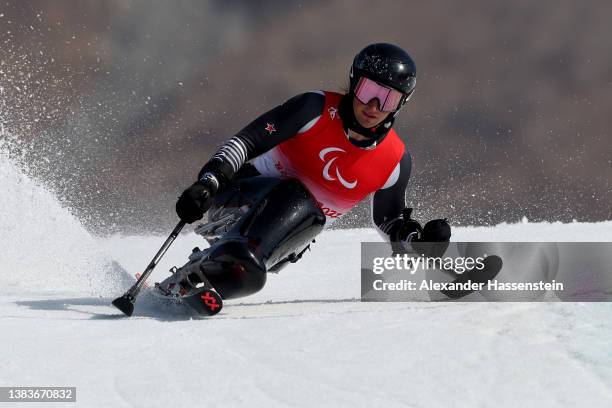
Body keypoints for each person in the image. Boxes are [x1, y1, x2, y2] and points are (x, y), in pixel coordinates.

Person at [174, 43, 451, 300]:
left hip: (282, 241)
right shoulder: (314, 109)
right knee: (299, 195)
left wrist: (418, 240)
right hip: (235, 202)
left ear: (401, 104)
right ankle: (235, 261)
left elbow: (389, 221)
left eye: (387, 99)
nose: (374, 106)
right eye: (369, 91)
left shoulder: (395, 159)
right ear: (354, 83)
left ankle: (222, 270)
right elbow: (246, 142)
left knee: (312, 215)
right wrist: (208, 183)